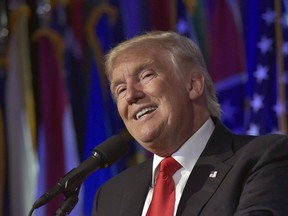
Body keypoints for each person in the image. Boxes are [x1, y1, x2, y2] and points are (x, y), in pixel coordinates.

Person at [92, 31, 288, 216]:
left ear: (193, 85)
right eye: (120, 89)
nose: (131, 95)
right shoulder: (111, 195)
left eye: (146, 76)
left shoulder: (264, 158)